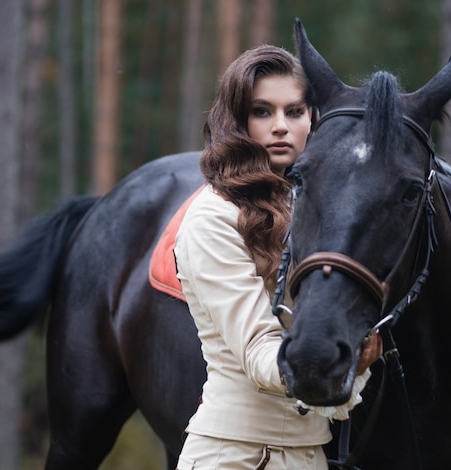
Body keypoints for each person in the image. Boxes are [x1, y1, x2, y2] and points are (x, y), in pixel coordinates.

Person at [174, 44, 382, 470]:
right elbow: (257, 350)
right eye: (262, 112)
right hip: (235, 455)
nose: (281, 127)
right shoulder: (212, 217)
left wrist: (358, 357)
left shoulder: (316, 212)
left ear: (313, 118)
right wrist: (335, 360)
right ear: (237, 121)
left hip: (307, 455)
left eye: (295, 112)